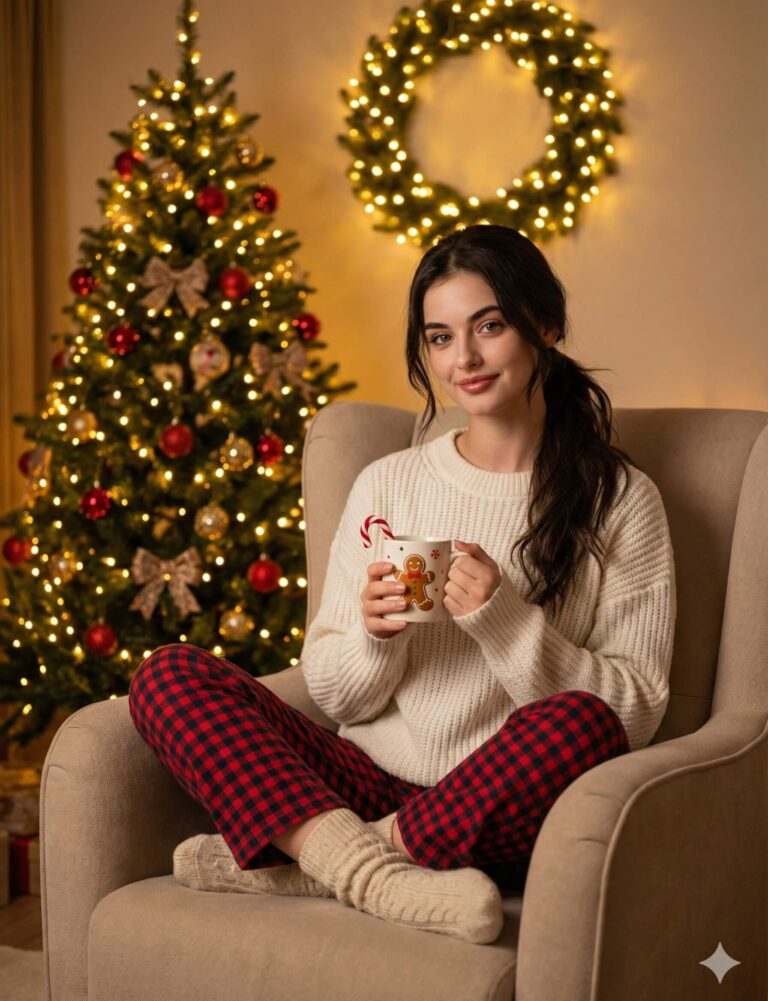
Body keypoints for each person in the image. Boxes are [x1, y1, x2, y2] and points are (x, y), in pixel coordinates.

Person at [128, 224, 676, 947]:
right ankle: (376, 872)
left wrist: (508, 623)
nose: (464, 358)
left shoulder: (621, 500)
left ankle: (321, 864)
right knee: (168, 674)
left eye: (490, 326)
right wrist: (373, 637)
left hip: (504, 809)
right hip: (363, 779)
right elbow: (334, 696)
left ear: (545, 325)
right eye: (440, 337)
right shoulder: (388, 483)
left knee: (581, 720)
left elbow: (635, 710)